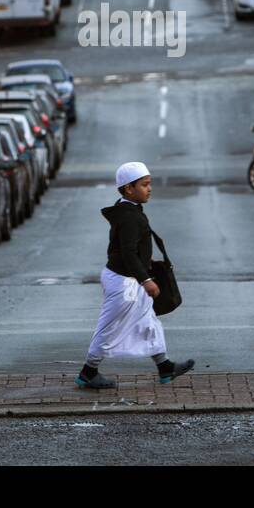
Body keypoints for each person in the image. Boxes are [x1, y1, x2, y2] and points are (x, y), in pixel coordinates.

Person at [75, 161, 195, 389]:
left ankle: (165, 367)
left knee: (148, 322)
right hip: (124, 283)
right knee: (109, 327)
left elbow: (127, 249)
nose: (150, 189)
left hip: (128, 279)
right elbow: (128, 253)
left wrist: (145, 260)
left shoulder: (128, 211)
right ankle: (88, 372)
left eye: (149, 184)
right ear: (129, 189)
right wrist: (146, 279)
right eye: (145, 185)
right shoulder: (129, 216)